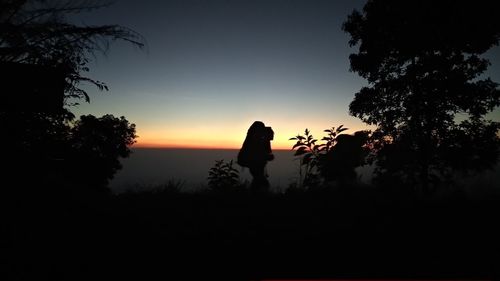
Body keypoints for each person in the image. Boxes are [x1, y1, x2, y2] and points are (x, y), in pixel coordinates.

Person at [237, 121, 274, 192]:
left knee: (258, 180)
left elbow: (261, 151)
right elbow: (261, 151)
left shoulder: (252, 136)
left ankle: (254, 194)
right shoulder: (256, 137)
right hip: (254, 163)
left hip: (253, 163)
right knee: (261, 181)